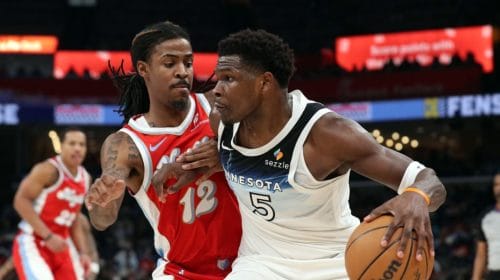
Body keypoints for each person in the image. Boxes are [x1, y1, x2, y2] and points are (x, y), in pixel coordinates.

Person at [208, 29, 447, 279]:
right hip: (260, 264)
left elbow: (430, 181)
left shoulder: (328, 134)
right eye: (217, 79)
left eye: (228, 78)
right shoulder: (222, 121)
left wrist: (417, 196)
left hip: (334, 262)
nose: (217, 89)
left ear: (264, 83)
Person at [84, 21, 242, 280]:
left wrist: (224, 152)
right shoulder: (126, 144)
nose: (182, 72)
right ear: (143, 69)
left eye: (188, 63)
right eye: (170, 64)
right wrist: (104, 200)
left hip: (248, 264)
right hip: (182, 272)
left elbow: (274, 146)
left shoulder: (219, 105)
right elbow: (103, 220)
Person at [12, 128, 93, 280]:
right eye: (72, 143)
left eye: (82, 144)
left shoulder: (85, 178)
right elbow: (20, 201)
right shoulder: (47, 170)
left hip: (61, 244)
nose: (77, 148)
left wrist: (83, 252)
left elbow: (74, 219)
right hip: (34, 241)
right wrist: (48, 237)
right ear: (61, 146)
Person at [1, 214, 100, 280]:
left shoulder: (76, 219)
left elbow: (89, 246)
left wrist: (92, 266)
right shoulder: (49, 216)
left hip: (79, 265)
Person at [472, 172, 500, 280]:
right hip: (494, 273)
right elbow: (481, 254)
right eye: (496, 184)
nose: (498, 188)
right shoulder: (485, 217)